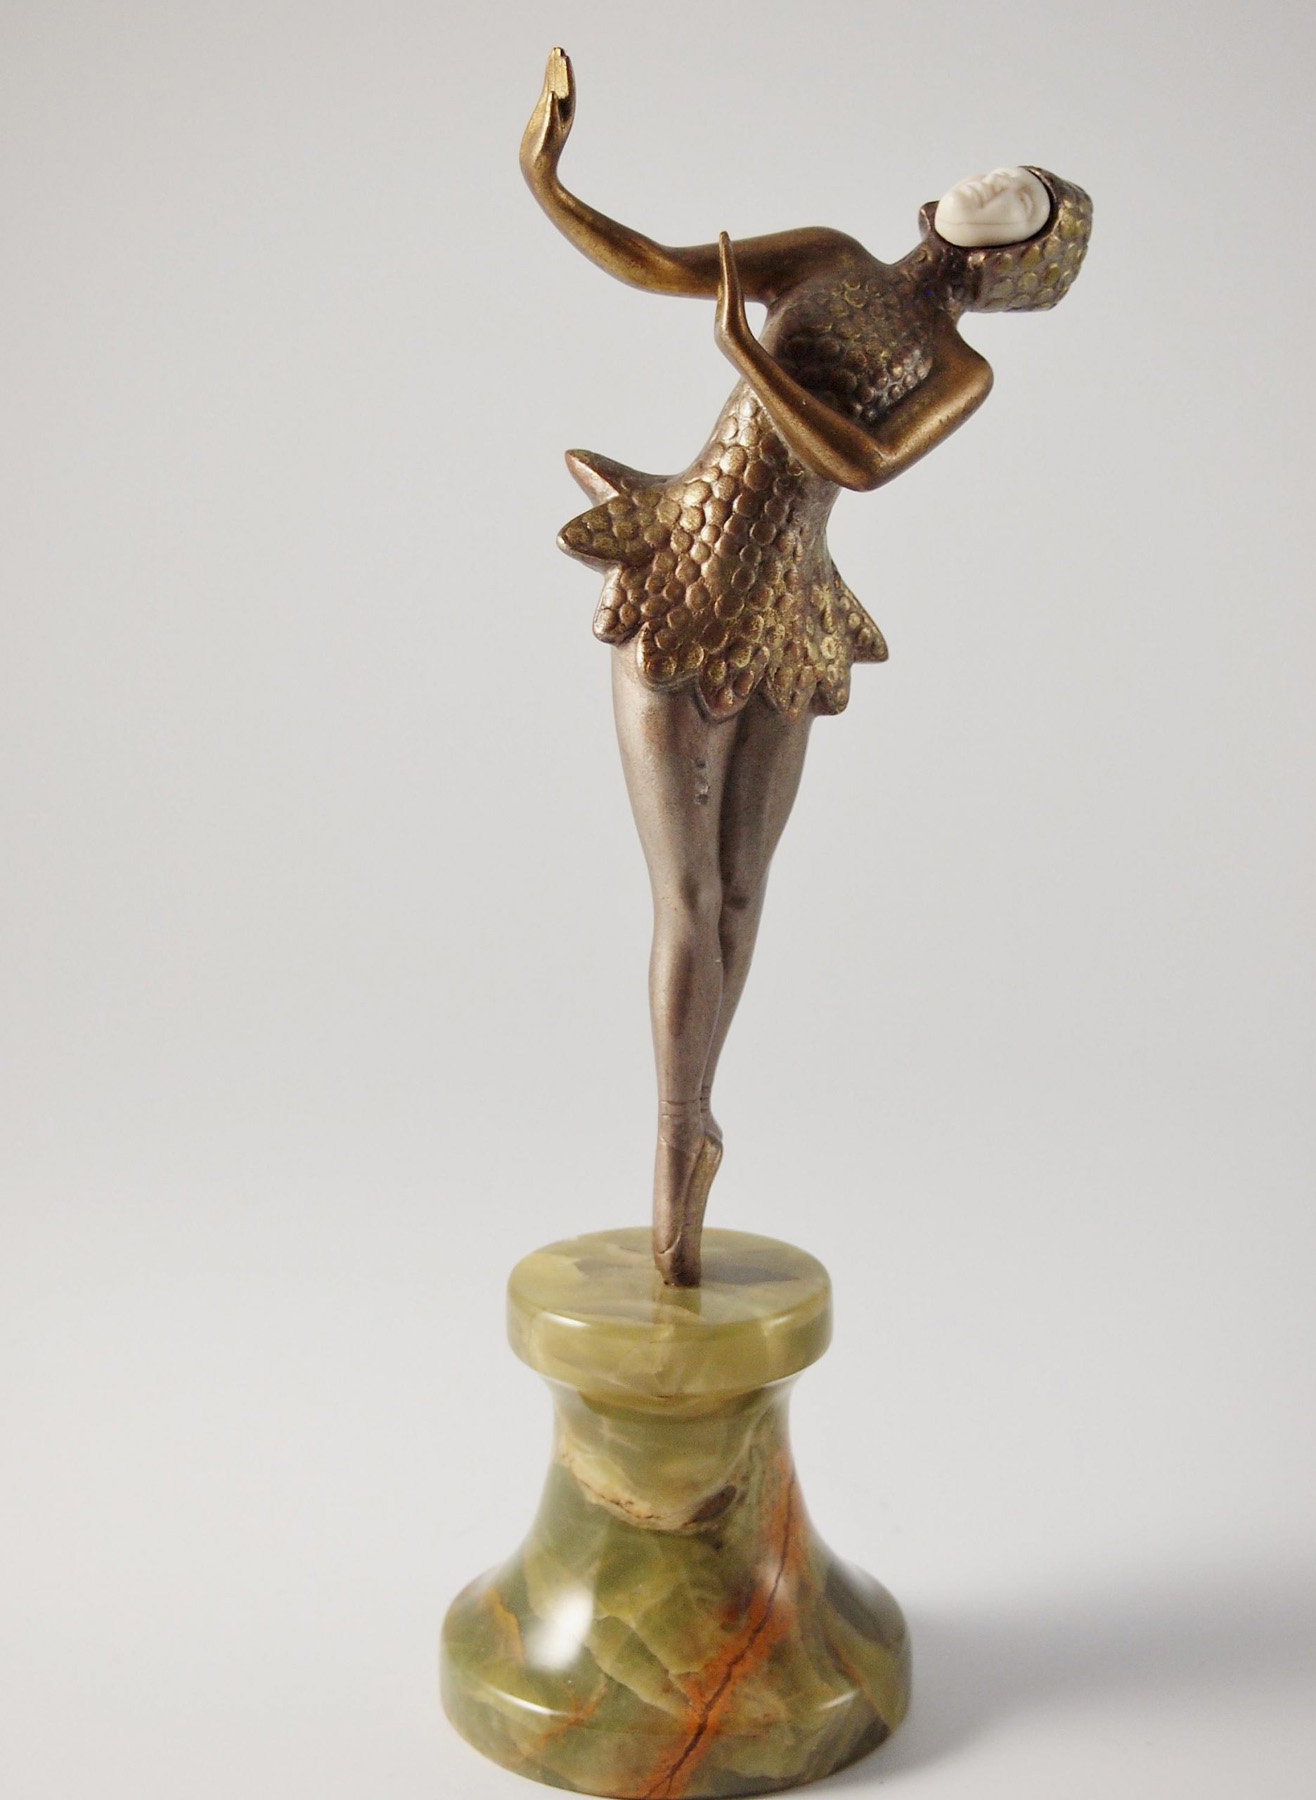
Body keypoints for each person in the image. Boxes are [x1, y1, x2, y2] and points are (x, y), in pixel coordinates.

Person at [520, 48, 1092, 1285]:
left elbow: (856, 463)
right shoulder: (826, 256)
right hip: (688, 564)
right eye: (998, 173)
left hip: (785, 604)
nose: (992, 182)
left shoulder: (957, 370)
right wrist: (547, 177)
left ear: (1011, 264)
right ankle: (677, 1141)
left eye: (1024, 197)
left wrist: (748, 358)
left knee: (739, 892)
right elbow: (659, 263)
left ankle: (696, 1129)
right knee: (684, 895)